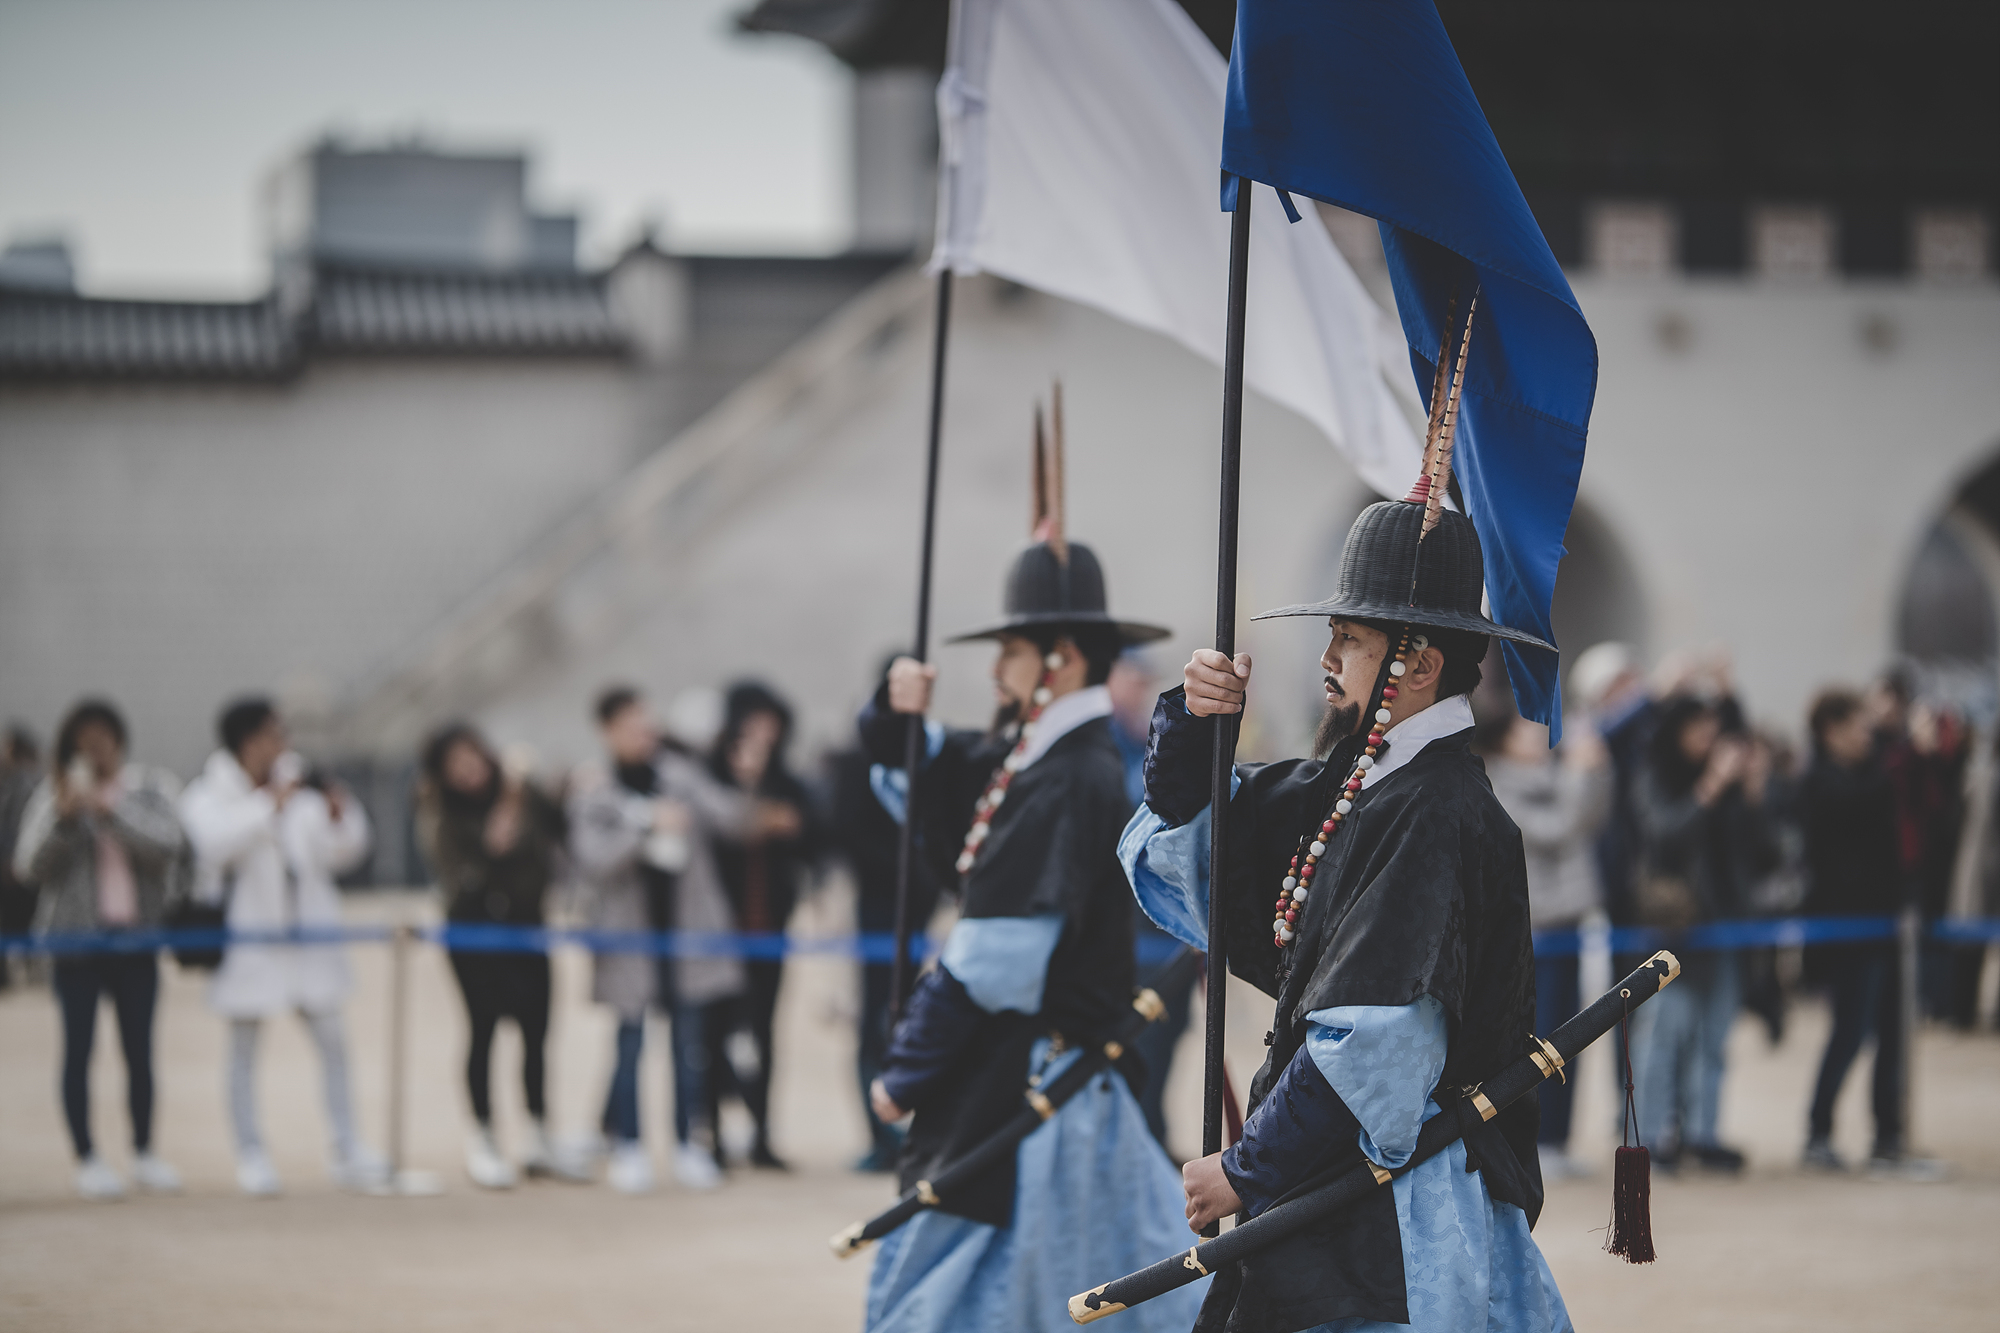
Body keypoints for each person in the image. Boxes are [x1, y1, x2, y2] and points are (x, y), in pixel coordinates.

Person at [1123, 492, 1571, 1331]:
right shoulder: (1359, 783)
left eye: (1351, 638)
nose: (1328, 655)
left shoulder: (1436, 808)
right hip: (1330, 1175)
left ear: (1421, 665)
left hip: (1396, 1201)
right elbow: (1198, 840)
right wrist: (1197, 720)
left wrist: (1246, 1169)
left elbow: (1378, 1044)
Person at [859, 424, 1200, 1333]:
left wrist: (907, 1065)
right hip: (1043, 1083)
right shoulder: (1039, 755)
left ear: (1062, 657)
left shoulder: (1073, 771)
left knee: (1017, 1298)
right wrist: (894, 720)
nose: (997, 669)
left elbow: (1004, 954)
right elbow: (940, 774)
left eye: (1013, 650)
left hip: (1044, 1088)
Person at [179, 697, 385, 1196]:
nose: (284, 742)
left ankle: (347, 1146)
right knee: (244, 1051)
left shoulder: (301, 786)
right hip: (249, 943)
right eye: (274, 733)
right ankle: (251, 1154)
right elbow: (213, 845)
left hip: (308, 939)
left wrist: (339, 816)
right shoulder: (209, 794)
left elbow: (345, 851)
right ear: (248, 741)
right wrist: (268, 804)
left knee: (334, 1044)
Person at [568, 685, 766, 1194]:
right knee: (629, 1047)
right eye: (633, 726)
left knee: (689, 1048)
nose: (644, 736)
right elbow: (591, 860)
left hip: (687, 938)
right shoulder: (596, 791)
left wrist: (745, 780)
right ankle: (628, 1146)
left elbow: (733, 822)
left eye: (648, 725)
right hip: (630, 942)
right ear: (608, 730)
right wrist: (644, 826)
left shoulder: (681, 777)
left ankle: (687, 1144)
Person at [12, 700, 185, 1200]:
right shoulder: (55, 795)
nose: (95, 748)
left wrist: (111, 811)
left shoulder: (147, 789)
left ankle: (145, 1151)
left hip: (135, 940)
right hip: (77, 945)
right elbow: (29, 867)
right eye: (84, 740)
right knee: (78, 1051)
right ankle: (87, 1155)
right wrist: (67, 818)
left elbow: (168, 845)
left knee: (140, 1051)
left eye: (103, 737)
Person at [418, 722, 581, 1189]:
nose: (469, 770)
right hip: (474, 932)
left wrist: (560, 786)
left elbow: (558, 827)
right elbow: (467, 869)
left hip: (528, 926)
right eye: (456, 765)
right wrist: (498, 831)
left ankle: (538, 1134)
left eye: (473, 757)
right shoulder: (438, 811)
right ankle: (483, 1136)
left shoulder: (518, 790)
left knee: (537, 1030)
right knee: (484, 1029)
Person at [1627, 692, 1775, 1174]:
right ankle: (1649, 1138)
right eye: (1698, 728)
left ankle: (1702, 1134)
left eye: (1713, 729)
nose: (1708, 738)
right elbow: (1664, 834)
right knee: (1663, 1039)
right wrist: (1711, 786)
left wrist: (1751, 792)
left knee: (1713, 1040)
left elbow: (1760, 854)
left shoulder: (1731, 783)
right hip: (1675, 931)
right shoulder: (1657, 773)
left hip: (1727, 929)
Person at [1799, 689, 1941, 1179]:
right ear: (1831, 730)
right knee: (1850, 1032)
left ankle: (1887, 1136)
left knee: (1893, 1034)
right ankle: (1818, 1132)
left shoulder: (1871, 773)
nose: (1869, 737)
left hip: (1884, 925)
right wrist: (1905, 753)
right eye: (1860, 728)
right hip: (1848, 929)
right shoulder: (1819, 778)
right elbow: (1856, 808)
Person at [1482, 711, 1609, 1180]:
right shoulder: (1500, 783)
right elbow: (1557, 828)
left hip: (1571, 920)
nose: (1536, 736)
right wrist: (1579, 773)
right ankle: (1536, 1141)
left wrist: (1595, 768)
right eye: (1522, 729)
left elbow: (1590, 815)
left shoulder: (1552, 776)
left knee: (1573, 1035)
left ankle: (1560, 1138)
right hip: (1536, 928)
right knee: (1540, 1038)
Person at [828, 660, 943, 1173]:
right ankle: (879, 1133)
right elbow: (849, 833)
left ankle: (910, 1132)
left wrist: (926, 875)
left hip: (916, 910)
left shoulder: (930, 756)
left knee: (913, 1019)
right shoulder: (857, 761)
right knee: (875, 1020)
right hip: (878, 909)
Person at [704, 681, 811, 1171]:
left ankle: (762, 1132)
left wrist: (780, 816)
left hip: (770, 926)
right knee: (714, 1031)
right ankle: (712, 1132)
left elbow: (813, 831)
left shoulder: (788, 781)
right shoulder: (708, 777)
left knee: (766, 1032)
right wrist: (749, 805)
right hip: (717, 927)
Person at [1108, 648, 1196, 1150]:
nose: (1139, 692)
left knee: (1166, 1038)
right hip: (1126, 936)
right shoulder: (1103, 746)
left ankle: (1151, 1133)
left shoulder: (1150, 740)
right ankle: (1135, 1142)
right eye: (1132, 680)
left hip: (1166, 933)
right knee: (1134, 1044)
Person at [1, 724, 45, 990]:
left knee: (19, 918)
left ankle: (26, 966)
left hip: (17, 866)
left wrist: (13, 859)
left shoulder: (24, 783)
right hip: (15, 865)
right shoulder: (14, 781)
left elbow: (18, 825)